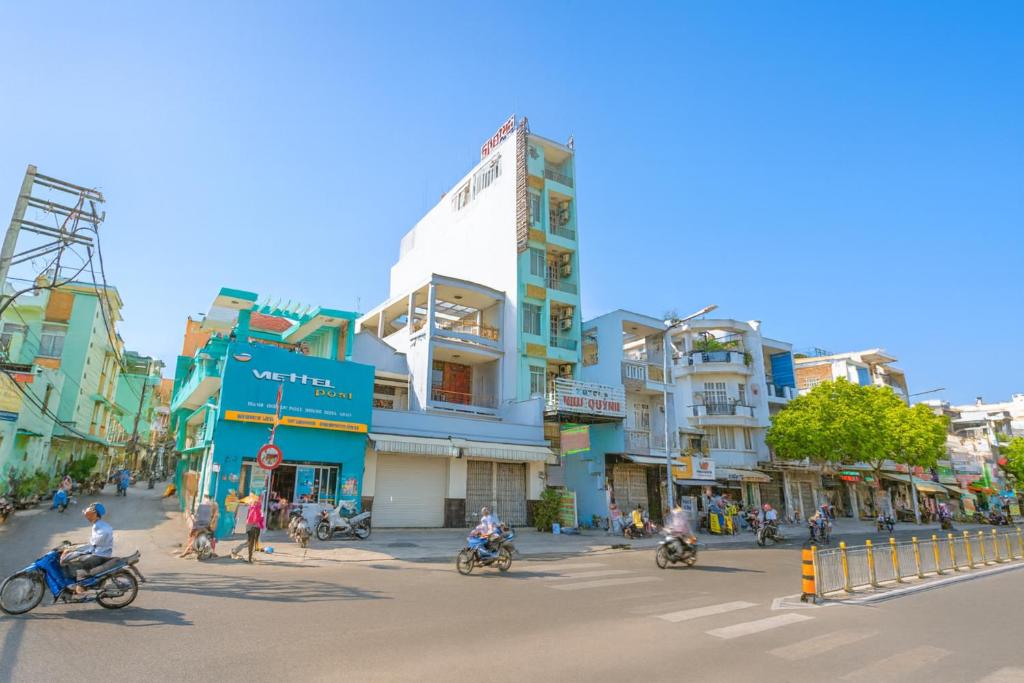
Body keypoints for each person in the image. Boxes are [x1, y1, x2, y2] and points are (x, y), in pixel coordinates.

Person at [60, 503, 114, 596]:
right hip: (102, 552)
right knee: (76, 555)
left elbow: (93, 545)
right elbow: (93, 543)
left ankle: (80, 586)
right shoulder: (101, 524)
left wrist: (73, 549)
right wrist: (77, 547)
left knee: (72, 561)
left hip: (99, 554)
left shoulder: (98, 526)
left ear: (96, 514)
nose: (87, 517)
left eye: (89, 514)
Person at [243, 495, 265, 563]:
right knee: (254, 542)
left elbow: (247, 517)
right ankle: (250, 557)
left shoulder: (250, 507)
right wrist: (261, 519)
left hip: (249, 525)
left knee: (250, 542)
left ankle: (249, 557)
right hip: (255, 526)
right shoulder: (258, 507)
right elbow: (259, 518)